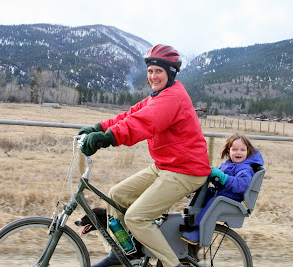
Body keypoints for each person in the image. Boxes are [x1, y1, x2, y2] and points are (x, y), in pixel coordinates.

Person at [78, 44, 210, 267]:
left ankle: (173, 264)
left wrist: (107, 138)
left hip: (186, 170)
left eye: (159, 71)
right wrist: (98, 128)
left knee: (137, 217)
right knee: (116, 195)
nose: (153, 76)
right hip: (166, 166)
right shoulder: (158, 96)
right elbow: (130, 115)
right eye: (150, 71)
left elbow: (143, 123)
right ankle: (122, 253)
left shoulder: (171, 98)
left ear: (171, 73)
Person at [181, 134, 264, 245]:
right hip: (221, 194)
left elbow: (241, 185)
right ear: (229, 151)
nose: (238, 152)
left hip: (230, 199)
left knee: (211, 204)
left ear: (248, 152)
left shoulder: (245, 169)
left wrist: (223, 177)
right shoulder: (229, 164)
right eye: (235, 149)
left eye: (242, 150)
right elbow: (219, 181)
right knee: (204, 194)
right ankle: (189, 220)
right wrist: (212, 175)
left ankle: (198, 232)